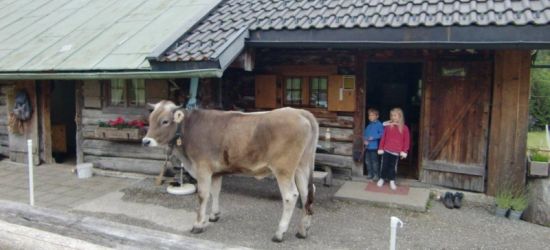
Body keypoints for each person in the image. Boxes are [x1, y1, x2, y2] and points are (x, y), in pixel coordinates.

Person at [377, 108, 410, 190]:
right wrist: (381, 148)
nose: (393, 117)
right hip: (386, 149)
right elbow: (383, 138)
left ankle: (392, 180)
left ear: (400, 116)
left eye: (395, 115)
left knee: (392, 167)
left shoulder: (404, 128)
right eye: (391, 115)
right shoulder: (388, 127)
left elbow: (406, 141)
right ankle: (382, 178)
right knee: (384, 165)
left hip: (396, 152)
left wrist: (404, 151)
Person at [363, 108, 383, 180]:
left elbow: (382, 134)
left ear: (377, 116)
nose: (370, 117)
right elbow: (365, 134)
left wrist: (373, 137)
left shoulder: (379, 124)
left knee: (374, 162)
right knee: (367, 161)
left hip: (374, 147)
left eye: (372, 115)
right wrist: (365, 140)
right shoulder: (368, 126)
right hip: (367, 147)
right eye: (369, 115)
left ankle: (376, 175)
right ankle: (370, 174)